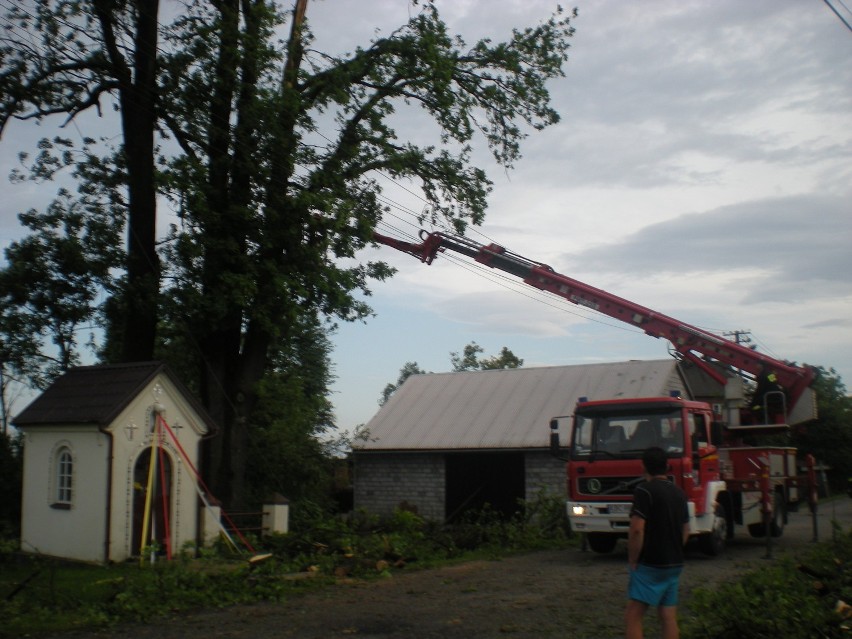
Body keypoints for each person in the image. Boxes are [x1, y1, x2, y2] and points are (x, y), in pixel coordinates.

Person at [625, 446, 691, 639]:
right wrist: (676, 549)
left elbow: (637, 529)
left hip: (651, 564)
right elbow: (686, 528)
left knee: (633, 615)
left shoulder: (644, 491)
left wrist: (633, 558)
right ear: (667, 466)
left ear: (643, 466)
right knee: (668, 615)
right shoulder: (679, 493)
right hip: (675, 563)